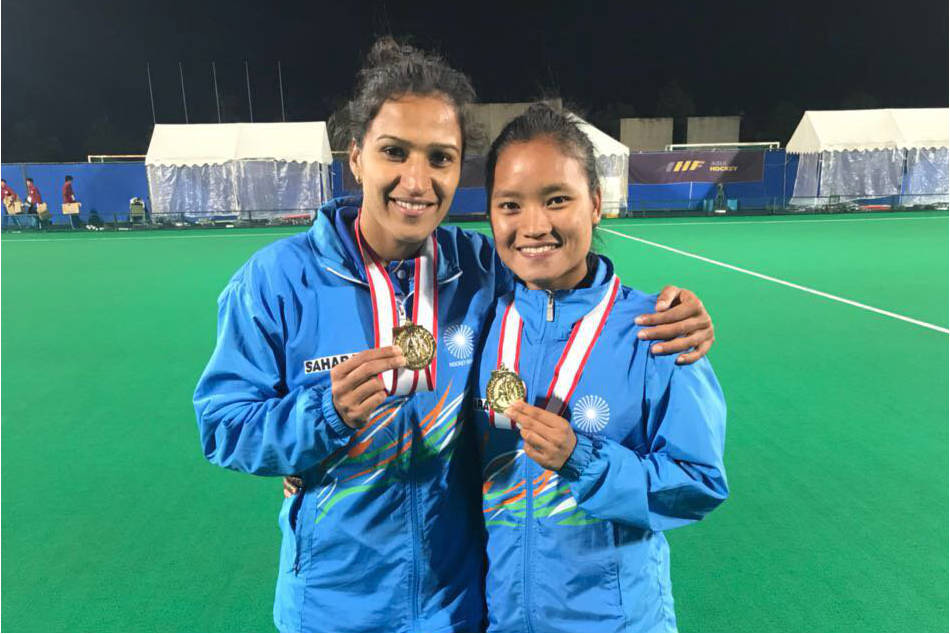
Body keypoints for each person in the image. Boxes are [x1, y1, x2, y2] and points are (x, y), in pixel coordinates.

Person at [196, 38, 715, 633]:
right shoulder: (276, 281)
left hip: (459, 607)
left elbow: (566, 291)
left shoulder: (481, 270)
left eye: (440, 158)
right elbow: (222, 426)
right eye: (394, 152)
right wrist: (320, 417)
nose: (416, 180)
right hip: (333, 608)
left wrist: (678, 313)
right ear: (356, 156)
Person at [473, 103, 728, 632]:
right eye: (510, 205)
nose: (533, 226)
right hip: (503, 619)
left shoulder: (658, 329)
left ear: (594, 203)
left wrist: (583, 460)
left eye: (556, 200)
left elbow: (699, 480)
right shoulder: (480, 322)